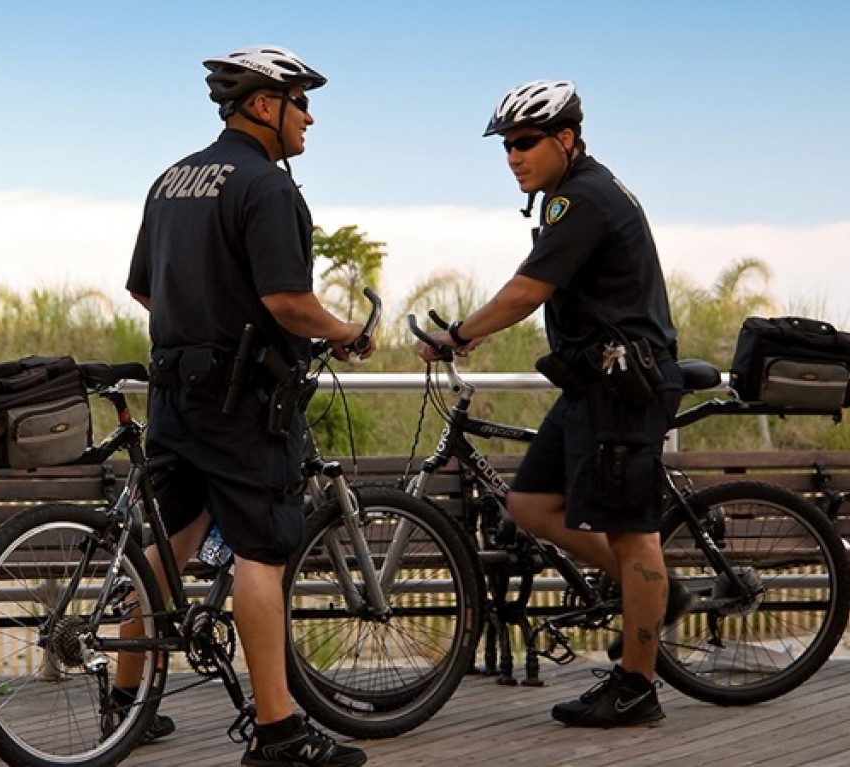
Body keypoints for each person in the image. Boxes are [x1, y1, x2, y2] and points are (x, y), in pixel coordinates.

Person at [122, 45, 372, 767]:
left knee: (167, 545)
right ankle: (277, 731)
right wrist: (348, 331)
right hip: (243, 403)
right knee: (262, 550)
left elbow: (144, 289)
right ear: (264, 104)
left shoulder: (171, 179)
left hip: (175, 394)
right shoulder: (267, 187)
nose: (310, 116)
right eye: (300, 100)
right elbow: (289, 301)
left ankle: (127, 704)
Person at [418, 80, 689, 728]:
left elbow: (527, 289)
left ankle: (637, 685)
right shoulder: (568, 197)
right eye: (506, 146)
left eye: (524, 142)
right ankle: (653, 593)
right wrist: (474, 334)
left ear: (564, 139)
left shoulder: (583, 198)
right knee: (529, 502)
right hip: (589, 385)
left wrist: (459, 333)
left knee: (632, 536)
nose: (512, 156)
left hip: (626, 386)